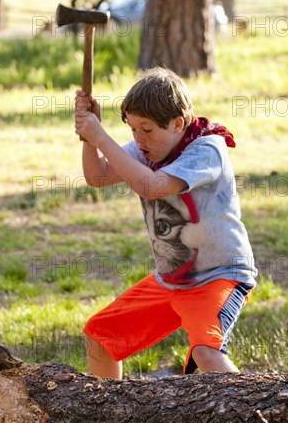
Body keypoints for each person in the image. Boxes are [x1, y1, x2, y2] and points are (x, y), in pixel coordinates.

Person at [74, 67, 257, 379]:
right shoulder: (149, 148)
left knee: (206, 352)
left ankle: (256, 413)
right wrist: (89, 138)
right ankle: (110, 419)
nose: (138, 139)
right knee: (99, 338)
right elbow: (97, 176)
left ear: (177, 124)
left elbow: (151, 186)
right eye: (132, 130)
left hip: (218, 277)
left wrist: (99, 135)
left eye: (146, 130)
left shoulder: (206, 149)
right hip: (171, 280)